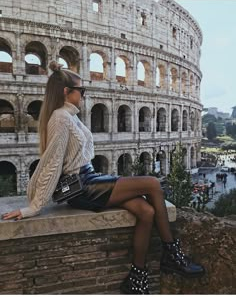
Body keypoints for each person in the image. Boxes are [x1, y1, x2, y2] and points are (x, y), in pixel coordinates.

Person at [2, 61, 205, 294]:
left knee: (146, 211)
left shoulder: (70, 116)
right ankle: (172, 254)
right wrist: (34, 207)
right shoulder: (60, 118)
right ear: (67, 92)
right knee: (151, 184)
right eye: (82, 90)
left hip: (90, 178)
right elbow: (52, 163)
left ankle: (136, 279)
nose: (84, 94)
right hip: (83, 187)